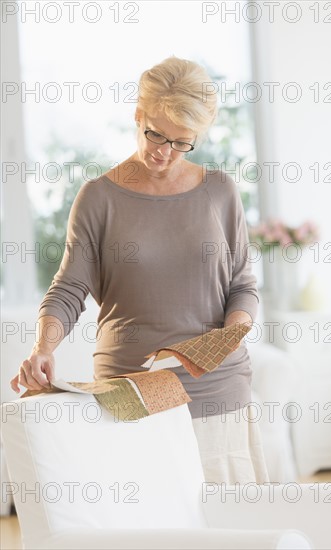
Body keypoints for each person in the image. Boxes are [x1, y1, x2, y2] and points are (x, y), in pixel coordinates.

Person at [11, 56, 269, 484]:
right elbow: (69, 287)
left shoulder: (220, 191)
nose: (164, 152)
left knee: (230, 529)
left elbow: (242, 283)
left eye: (181, 142)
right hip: (130, 395)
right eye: (155, 133)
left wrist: (233, 332)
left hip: (215, 393)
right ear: (138, 113)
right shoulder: (99, 198)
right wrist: (44, 348)